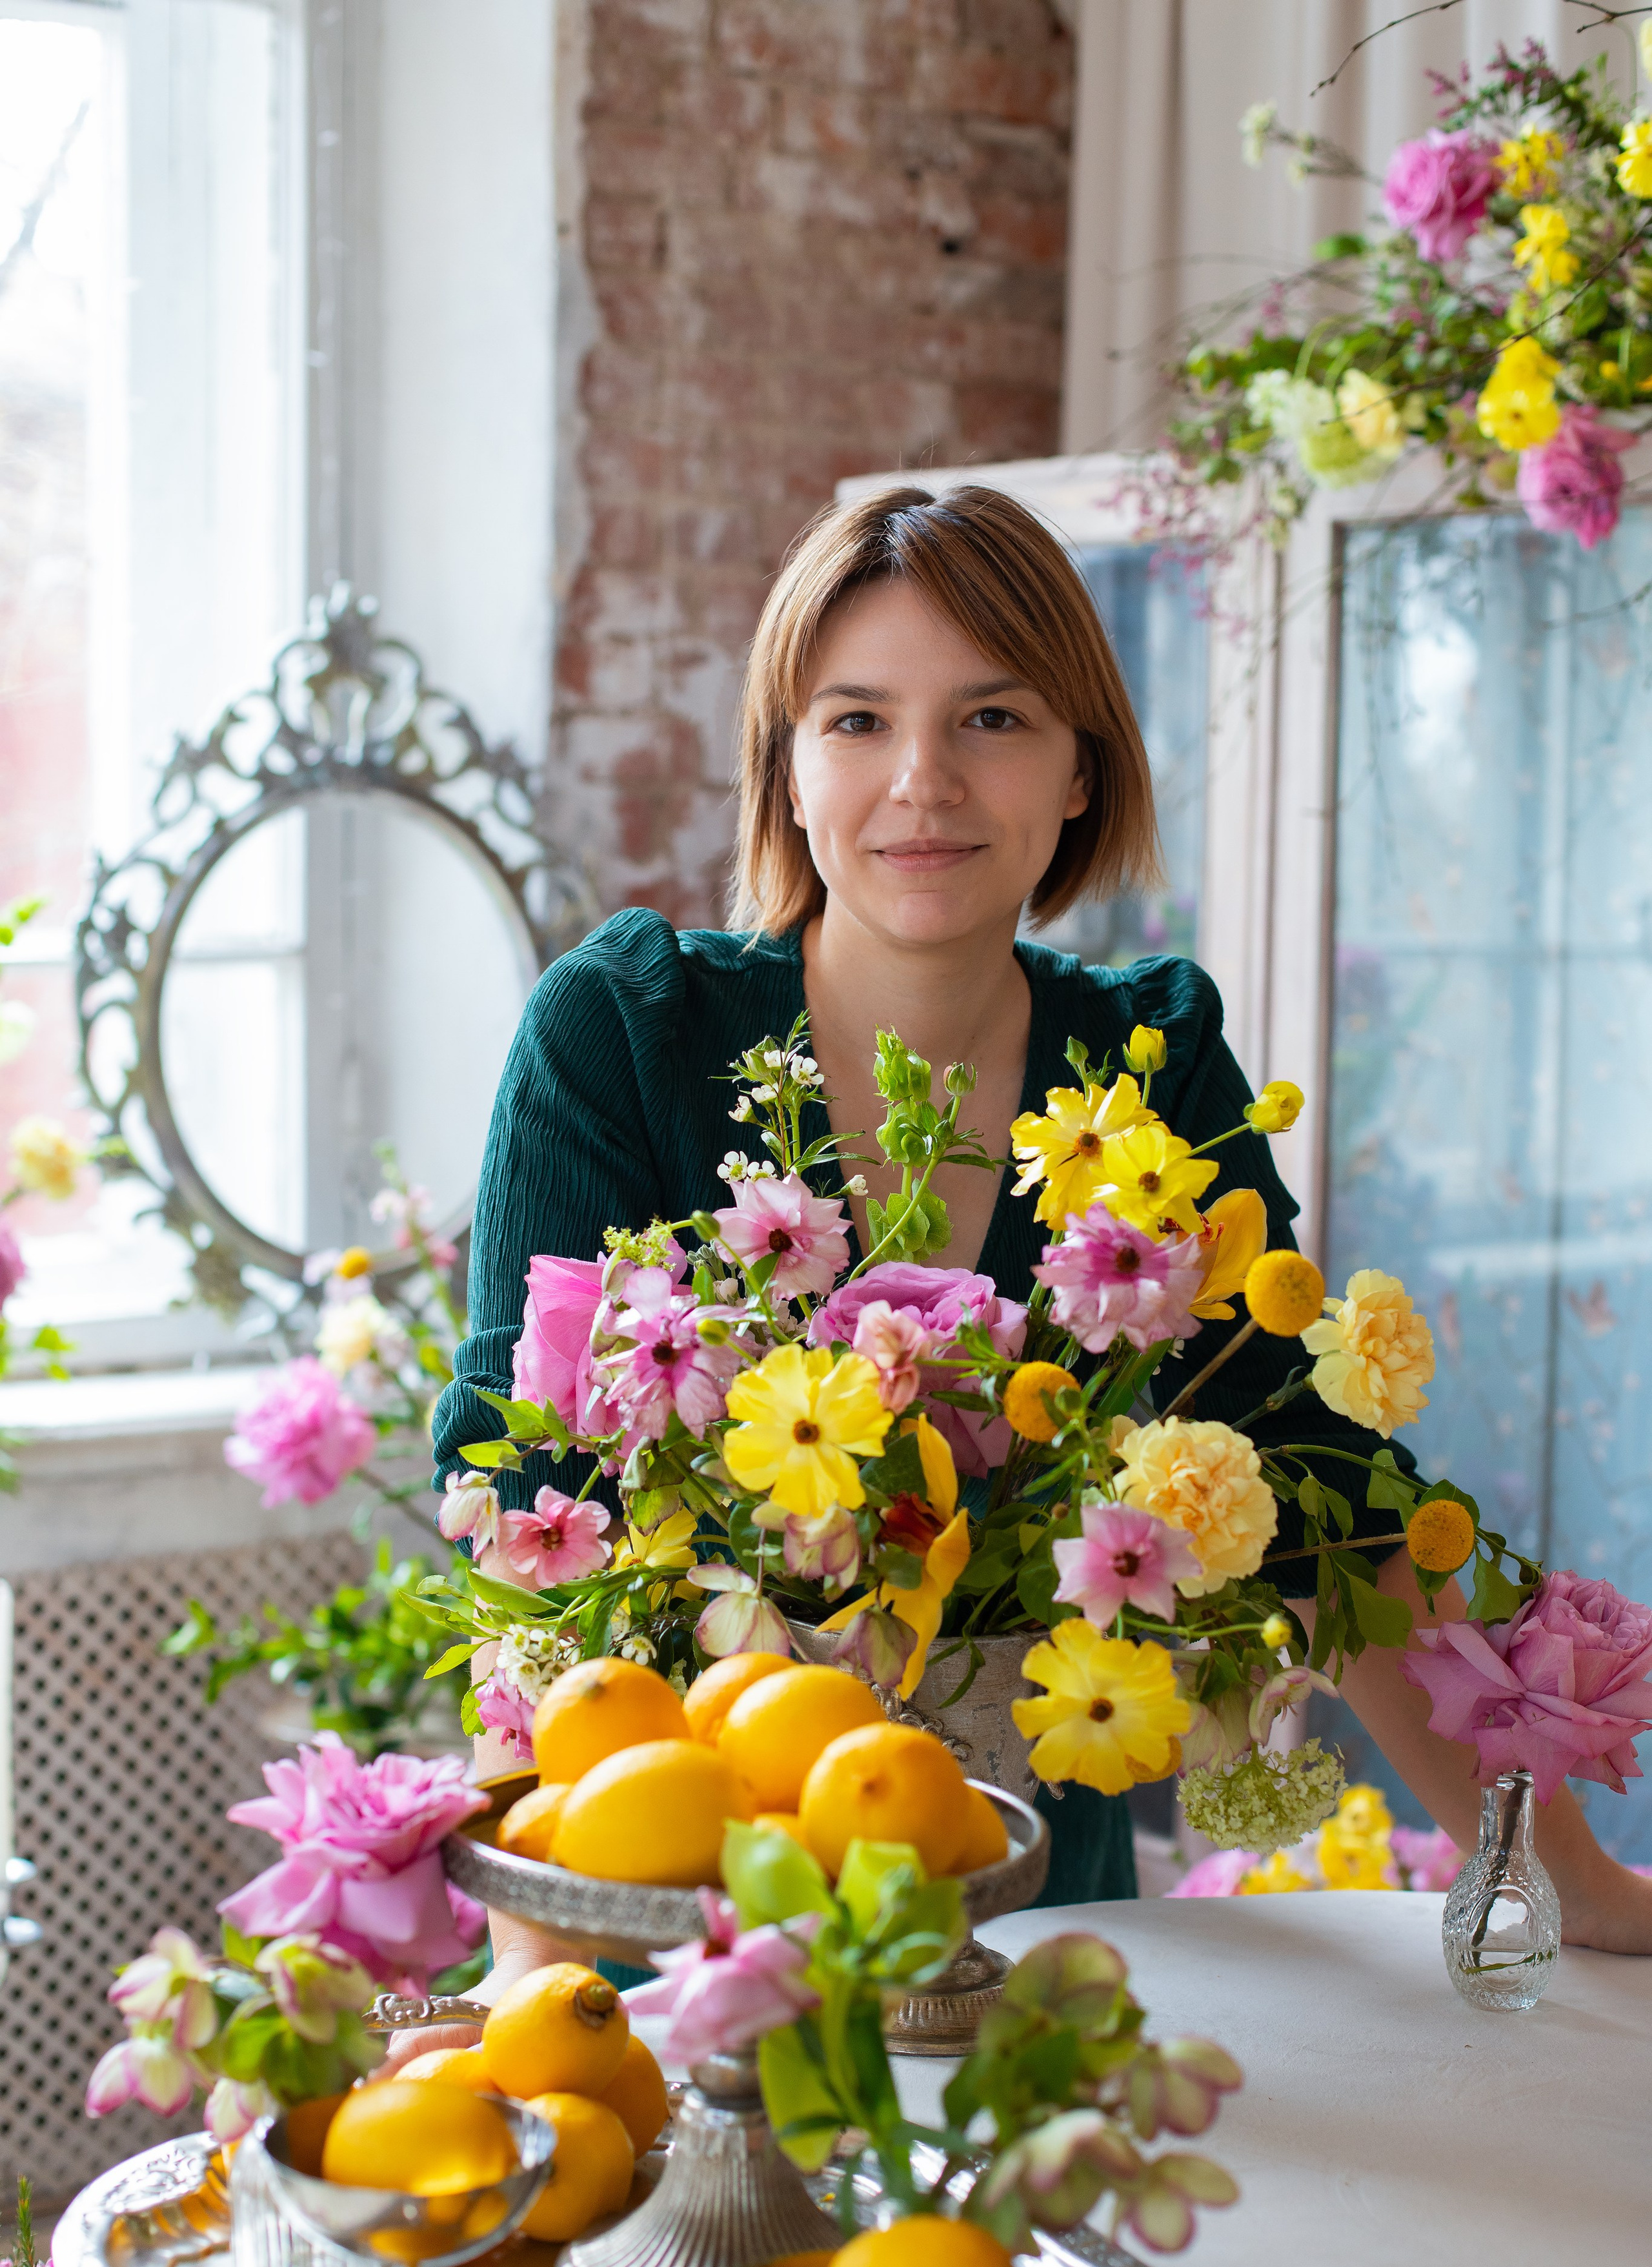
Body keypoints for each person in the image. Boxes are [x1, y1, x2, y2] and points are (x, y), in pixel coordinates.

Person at [412, 482, 1651, 2059]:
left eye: (989, 718)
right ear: (785, 768)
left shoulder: (1152, 1061)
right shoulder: (624, 1036)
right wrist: (533, 1975)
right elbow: (529, 1506)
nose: (921, 781)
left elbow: (1319, 1490)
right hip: (687, 1937)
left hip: (1038, 1940)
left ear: (1079, 768)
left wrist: (1566, 1879)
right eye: (856, 720)